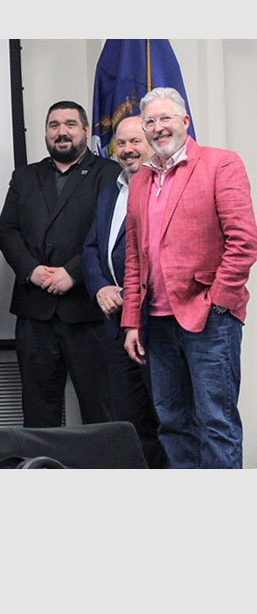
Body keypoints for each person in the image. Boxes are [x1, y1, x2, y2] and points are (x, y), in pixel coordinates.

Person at [122, 87, 257, 468]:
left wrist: (218, 302)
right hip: (158, 324)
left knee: (216, 422)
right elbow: (135, 257)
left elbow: (244, 241)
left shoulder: (221, 163)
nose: (157, 127)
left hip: (209, 320)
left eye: (165, 118)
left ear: (184, 121)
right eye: (150, 121)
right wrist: (131, 320)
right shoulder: (139, 182)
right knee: (172, 424)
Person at [0, 100, 120, 427]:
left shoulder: (109, 174)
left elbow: (112, 234)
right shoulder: (24, 177)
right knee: (39, 416)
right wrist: (33, 271)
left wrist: (73, 273)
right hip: (35, 312)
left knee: (100, 411)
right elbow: (6, 231)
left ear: (86, 130)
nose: (61, 132)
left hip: (88, 313)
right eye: (54, 125)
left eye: (69, 124)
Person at [82, 116, 167, 468]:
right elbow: (90, 248)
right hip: (115, 324)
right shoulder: (110, 190)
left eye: (136, 142)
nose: (128, 150)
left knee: (166, 417)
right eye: (121, 144)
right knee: (129, 422)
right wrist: (100, 286)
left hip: (154, 321)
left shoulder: (163, 188)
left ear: (152, 143)